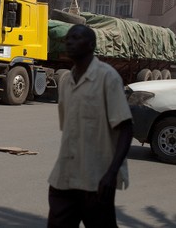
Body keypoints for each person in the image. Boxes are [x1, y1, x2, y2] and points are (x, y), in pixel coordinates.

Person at [47, 24, 133, 228]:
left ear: (91, 44)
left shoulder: (107, 77)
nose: (69, 41)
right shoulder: (66, 81)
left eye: (76, 37)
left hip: (96, 181)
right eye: (68, 38)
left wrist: (111, 173)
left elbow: (126, 128)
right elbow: (68, 130)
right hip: (65, 178)